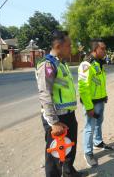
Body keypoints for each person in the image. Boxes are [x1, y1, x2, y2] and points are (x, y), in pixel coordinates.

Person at [35, 30, 83, 177]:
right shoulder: (47, 65)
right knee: (55, 155)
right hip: (56, 118)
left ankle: (69, 172)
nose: (71, 49)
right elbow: (45, 94)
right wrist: (54, 122)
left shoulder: (61, 64)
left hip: (68, 115)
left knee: (70, 147)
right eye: (69, 45)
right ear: (58, 45)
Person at [78, 39, 114, 167]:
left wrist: (104, 95)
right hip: (91, 103)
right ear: (95, 49)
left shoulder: (99, 63)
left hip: (100, 100)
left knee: (99, 122)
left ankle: (98, 142)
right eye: (103, 49)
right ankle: (88, 153)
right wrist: (89, 107)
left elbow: (99, 81)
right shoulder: (86, 64)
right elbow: (83, 88)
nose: (105, 51)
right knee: (89, 127)